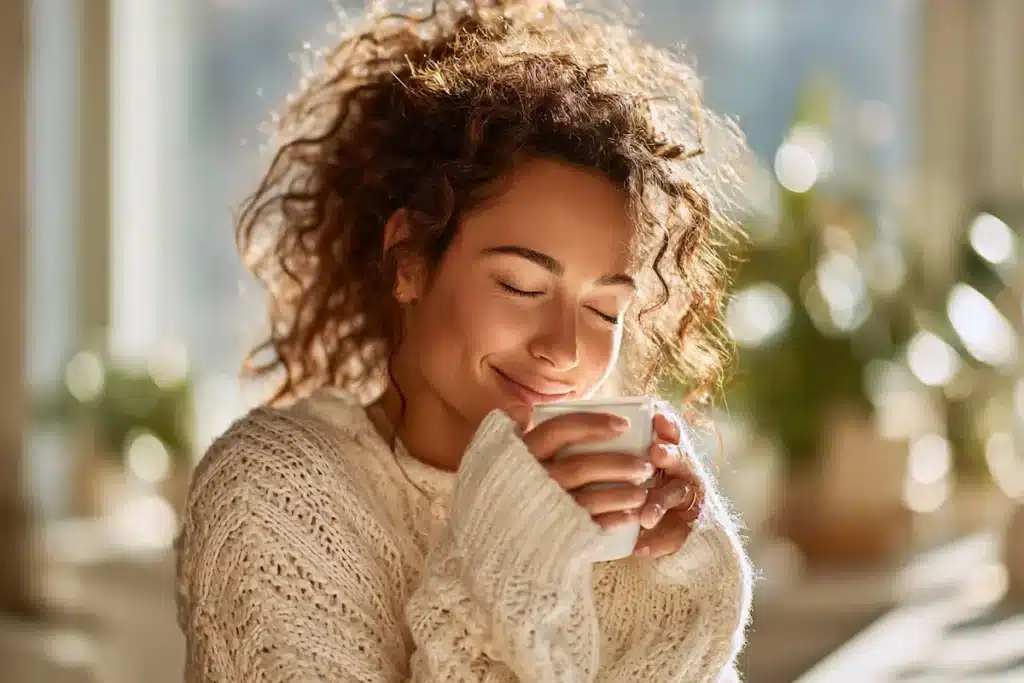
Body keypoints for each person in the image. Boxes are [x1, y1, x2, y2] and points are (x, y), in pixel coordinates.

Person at [175, 1, 752, 681]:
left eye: (604, 310)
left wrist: (677, 591)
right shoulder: (271, 492)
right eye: (519, 286)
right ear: (410, 259)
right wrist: (510, 551)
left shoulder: (613, 517)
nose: (564, 349)